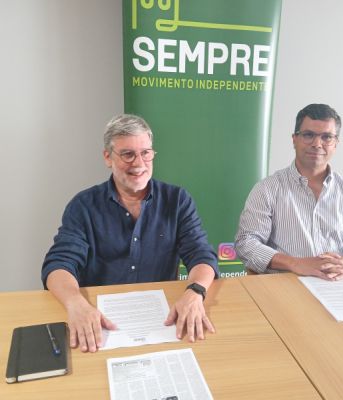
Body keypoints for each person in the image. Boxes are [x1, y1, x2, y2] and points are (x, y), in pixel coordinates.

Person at [42, 114, 219, 352]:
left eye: (146, 153)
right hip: (100, 320)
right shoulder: (83, 206)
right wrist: (75, 303)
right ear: (108, 157)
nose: (139, 163)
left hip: (162, 318)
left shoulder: (177, 200)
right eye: (128, 154)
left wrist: (195, 292)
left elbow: (201, 255)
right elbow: (59, 265)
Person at [235, 103, 343, 280]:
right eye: (308, 135)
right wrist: (295, 263)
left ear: (336, 143)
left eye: (327, 137)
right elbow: (246, 243)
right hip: (287, 283)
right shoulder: (268, 188)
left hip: (339, 284)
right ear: (294, 139)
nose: (317, 144)